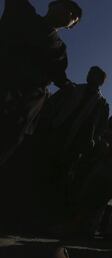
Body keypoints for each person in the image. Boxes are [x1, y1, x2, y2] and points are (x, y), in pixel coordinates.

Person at [0, 0, 82, 166]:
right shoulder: (23, 13)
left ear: (70, 26)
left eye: (74, 16)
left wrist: (68, 86)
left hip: (18, 111)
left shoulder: (60, 50)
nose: (69, 13)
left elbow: (59, 77)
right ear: (52, 5)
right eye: (66, 7)